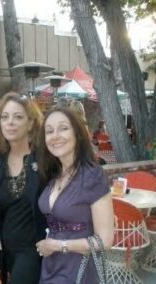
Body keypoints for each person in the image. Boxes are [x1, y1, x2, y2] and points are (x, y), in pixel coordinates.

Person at [35, 108, 114, 284]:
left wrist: (57, 245)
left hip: (79, 269)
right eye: (49, 131)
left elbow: (105, 240)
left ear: (77, 134)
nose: (55, 136)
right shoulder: (53, 173)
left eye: (63, 128)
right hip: (51, 265)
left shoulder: (92, 176)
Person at [0, 92, 46, 284]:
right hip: (5, 250)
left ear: (30, 123)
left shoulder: (45, 160)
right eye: (5, 117)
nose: (10, 122)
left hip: (33, 249)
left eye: (18, 117)